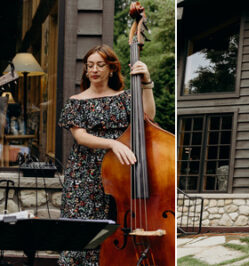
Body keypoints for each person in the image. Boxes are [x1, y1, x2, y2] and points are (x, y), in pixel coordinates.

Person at [57, 44, 156, 265]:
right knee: (80, 232)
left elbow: (148, 117)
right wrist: (112, 143)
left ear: (111, 68)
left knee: (114, 228)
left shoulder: (125, 98)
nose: (94, 69)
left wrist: (146, 82)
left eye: (100, 65)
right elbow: (81, 137)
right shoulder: (76, 102)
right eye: (89, 65)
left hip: (118, 174)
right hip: (84, 174)